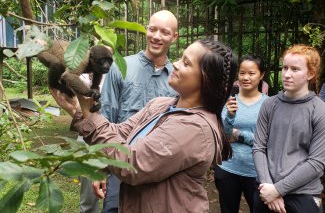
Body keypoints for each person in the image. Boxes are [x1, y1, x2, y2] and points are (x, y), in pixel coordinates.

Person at [50, 39, 238, 212]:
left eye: (186, 63)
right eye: (181, 58)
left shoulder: (195, 128)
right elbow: (120, 134)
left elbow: (132, 163)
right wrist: (78, 108)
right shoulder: (161, 105)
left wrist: (89, 115)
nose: (176, 64)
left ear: (206, 79)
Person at [85, 10, 179, 213]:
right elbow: (106, 116)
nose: (156, 36)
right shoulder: (121, 66)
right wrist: (100, 166)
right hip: (120, 164)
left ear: (174, 36)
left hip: (160, 169)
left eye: (164, 32)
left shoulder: (177, 78)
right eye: (152, 29)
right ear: (146, 29)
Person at [252, 44, 325, 213]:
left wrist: (278, 190)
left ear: (311, 74)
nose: (287, 74)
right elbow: (258, 147)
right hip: (265, 189)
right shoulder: (269, 104)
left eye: (295, 69)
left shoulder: (320, 110)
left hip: (302, 195)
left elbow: (316, 163)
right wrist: (268, 187)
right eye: (285, 67)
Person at [214, 55, 267, 213]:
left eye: (251, 73)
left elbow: (265, 141)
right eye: (242, 73)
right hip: (227, 167)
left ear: (261, 75)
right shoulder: (230, 101)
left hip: (256, 171)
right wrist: (230, 116)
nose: (246, 77)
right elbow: (223, 135)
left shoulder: (268, 104)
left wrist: (238, 135)